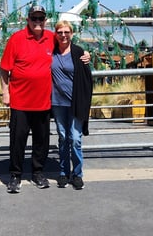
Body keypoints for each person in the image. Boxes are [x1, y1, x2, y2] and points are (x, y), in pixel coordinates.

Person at [0, 5, 56, 194]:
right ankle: (15, 175)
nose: (38, 22)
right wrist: (5, 92)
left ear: (45, 20)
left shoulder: (51, 38)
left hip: (43, 102)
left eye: (41, 18)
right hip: (20, 102)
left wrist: (85, 55)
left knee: (42, 140)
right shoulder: (16, 39)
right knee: (17, 140)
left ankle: (38, 172)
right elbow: (4, 69)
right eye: (34, 18)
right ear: (28, 20)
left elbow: (68, 47)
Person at [51, 20, 93, 190]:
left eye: (66, 32)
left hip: (76, 103)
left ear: (72, 34)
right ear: (55, 34)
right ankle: (63, 172)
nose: (63, 35)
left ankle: (77, 174)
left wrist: (89, 54)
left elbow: (87, 79)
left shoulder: (78, 52)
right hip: (57, 103)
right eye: (60, 32)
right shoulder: (50, 52)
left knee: (75, 138)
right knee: (62, 138)